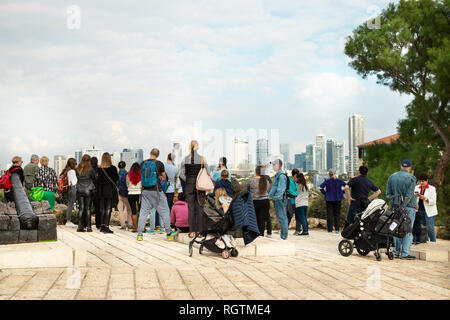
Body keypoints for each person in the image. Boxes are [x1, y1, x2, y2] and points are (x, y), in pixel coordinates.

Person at [136, 148, 180, 241]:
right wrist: (159, 177)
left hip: (145, 191)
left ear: (150, 153)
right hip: (156, 191)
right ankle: (168, 233)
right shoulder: (159, 163)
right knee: (165, 211)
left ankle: (139, 235)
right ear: (158, 155)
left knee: (143, 213)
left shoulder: (143, 163)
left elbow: (141, 176)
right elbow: (164, 177)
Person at [386, 159, 417, 260]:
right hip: (408, 207)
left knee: (396, 229)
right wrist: (403, 205)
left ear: (401, 166)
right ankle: (404, 253)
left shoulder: (392, 177)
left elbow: (388, 194)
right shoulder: (412, 178)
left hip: (395, 206)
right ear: (409, 167)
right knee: (407, 230)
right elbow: (409, 194)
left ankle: (396, 251)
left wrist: (395, 204)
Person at [179, 140, 210, 238]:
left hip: (189, 184)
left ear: (190, 147)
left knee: (191, 208)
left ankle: (191, 231)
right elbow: (208, 173)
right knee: (200, 207)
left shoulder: (185, 159)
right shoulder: (202, 159)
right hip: (200, 185)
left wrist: (188, 180)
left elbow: (181, 174)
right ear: (198, 147)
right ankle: (200, 232)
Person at [97, 153, 119, 234]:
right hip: (109, 190)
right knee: (108, 209)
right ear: (109, 158)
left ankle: (102, 226)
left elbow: (98, 180)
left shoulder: (99, 168)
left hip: (101, 190)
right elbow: (116, 178)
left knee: (102, 209)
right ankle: (106, 226)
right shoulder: (112, 168)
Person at [247, 165, 272, 237]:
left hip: (254, 202)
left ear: (256, 172)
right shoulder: (266, 181)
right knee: (262, 221)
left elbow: (248, 191)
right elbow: (269, 190)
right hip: (265, 201)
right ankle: (261, 235)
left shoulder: (251, 181)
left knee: (254, 219)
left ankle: (254, 235)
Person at [414, 173, 438, 243]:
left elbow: (433, 201)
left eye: (423, 181)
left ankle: (433, 242)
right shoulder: (416, 187)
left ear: (427, 180)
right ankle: (425, 241)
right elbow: (413, 198)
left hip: (429, 211)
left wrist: (425, 198)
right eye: (420, 181)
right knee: (422, 227)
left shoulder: (432, 188)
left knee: (430, 228)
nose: (421, 183)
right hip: (419, 210)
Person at [268, 159, 289, 240]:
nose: (273, 166)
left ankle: (284, 236)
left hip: (280, 199)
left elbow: (280, 190)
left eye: (274, 164)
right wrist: (270, 197)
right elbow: (274, 188)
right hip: (278, 199)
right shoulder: (278, 175)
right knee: (281, 217)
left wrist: (274, 198)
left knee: (282, 217)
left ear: (278, 165)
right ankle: (283, 236)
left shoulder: (282, 176)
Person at [75, 155, 96, 232]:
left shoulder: (77, 169)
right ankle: (89, 227)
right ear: (89, 160)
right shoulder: (90, 169)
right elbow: (94, 178)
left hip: (80, 189)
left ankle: (79, 227)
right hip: (88, 189)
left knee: (81, 208)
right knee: (88, 208)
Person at [62, 158, 77, 227]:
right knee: (71, 205)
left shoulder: (66, 170)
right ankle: (68, 221)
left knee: (69, 205)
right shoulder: (72, 171)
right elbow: (74, 182)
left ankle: (68, 221)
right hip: (73, 188)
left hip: (68, 189)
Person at [117, 161, 133, 230]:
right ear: (125, 166)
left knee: (120, 209)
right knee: (128, 209)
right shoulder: (127, 174)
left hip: (119, 192)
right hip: (126, 193)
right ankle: (130, 224)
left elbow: (116, 183)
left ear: (118, 167)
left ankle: (123, 225)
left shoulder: (117, 174)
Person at [126, 162, 142, 233]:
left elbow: (127, 184)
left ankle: (135, 228)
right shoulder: (141, 175)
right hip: (139, 194)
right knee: (141, 211)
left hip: (131, 193)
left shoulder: (128, 175)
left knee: (133, 211)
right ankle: (142, 227)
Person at [260, 164, 273, 237]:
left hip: (262, 198)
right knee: (266, 216)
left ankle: (267, 232)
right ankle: (268, 232)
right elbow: (270, 188)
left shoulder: (264, 177)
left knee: (265, 216)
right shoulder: (267, 177)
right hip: (265, 198)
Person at [90, 157, 101, 229]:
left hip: (89, 190)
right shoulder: (99, 170)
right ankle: (98, 224)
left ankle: (87, 223)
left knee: (88, 208)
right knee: (98, 209)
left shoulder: (89, 170)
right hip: (97, 191)